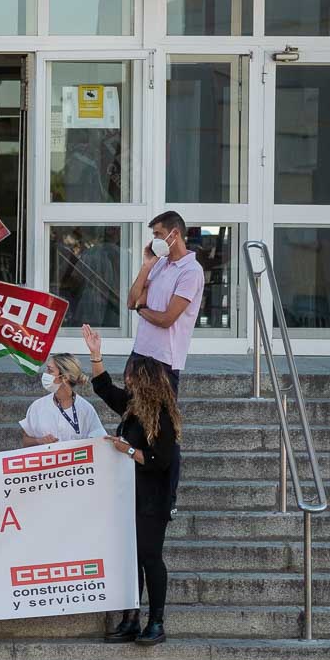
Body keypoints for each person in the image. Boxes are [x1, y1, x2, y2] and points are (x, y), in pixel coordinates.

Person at [83, 324, 180, 647]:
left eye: (131, 377)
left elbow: (160, 461)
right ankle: (130, 618)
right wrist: (96, 356)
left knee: (150, 557)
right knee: (130, 558)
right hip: (130, 496)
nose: (127, 381)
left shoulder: (162, 416)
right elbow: (104, 389)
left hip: (153, 500)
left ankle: (157, 620)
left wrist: (126, 449)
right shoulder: (133, 407)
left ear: (146, 381)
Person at [128, 210, 203, 514]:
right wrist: (147, 266)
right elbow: (132, 299)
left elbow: (167, 318)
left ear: (175, 234)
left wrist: (142, 310)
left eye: (159, 234)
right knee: (133, 420)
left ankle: (167, 498)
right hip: (140, 355)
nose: (155, 240)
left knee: (164, 432)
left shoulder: (191, 271)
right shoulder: (158, 265)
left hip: (163, 361)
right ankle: (135, 487)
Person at [20, 353, 107, 446]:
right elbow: (25, 441)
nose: (45, 374)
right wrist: (40, 441)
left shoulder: (85, 409)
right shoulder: (37, 406)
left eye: (50, 371)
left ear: (65, 377)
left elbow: (100, 441)